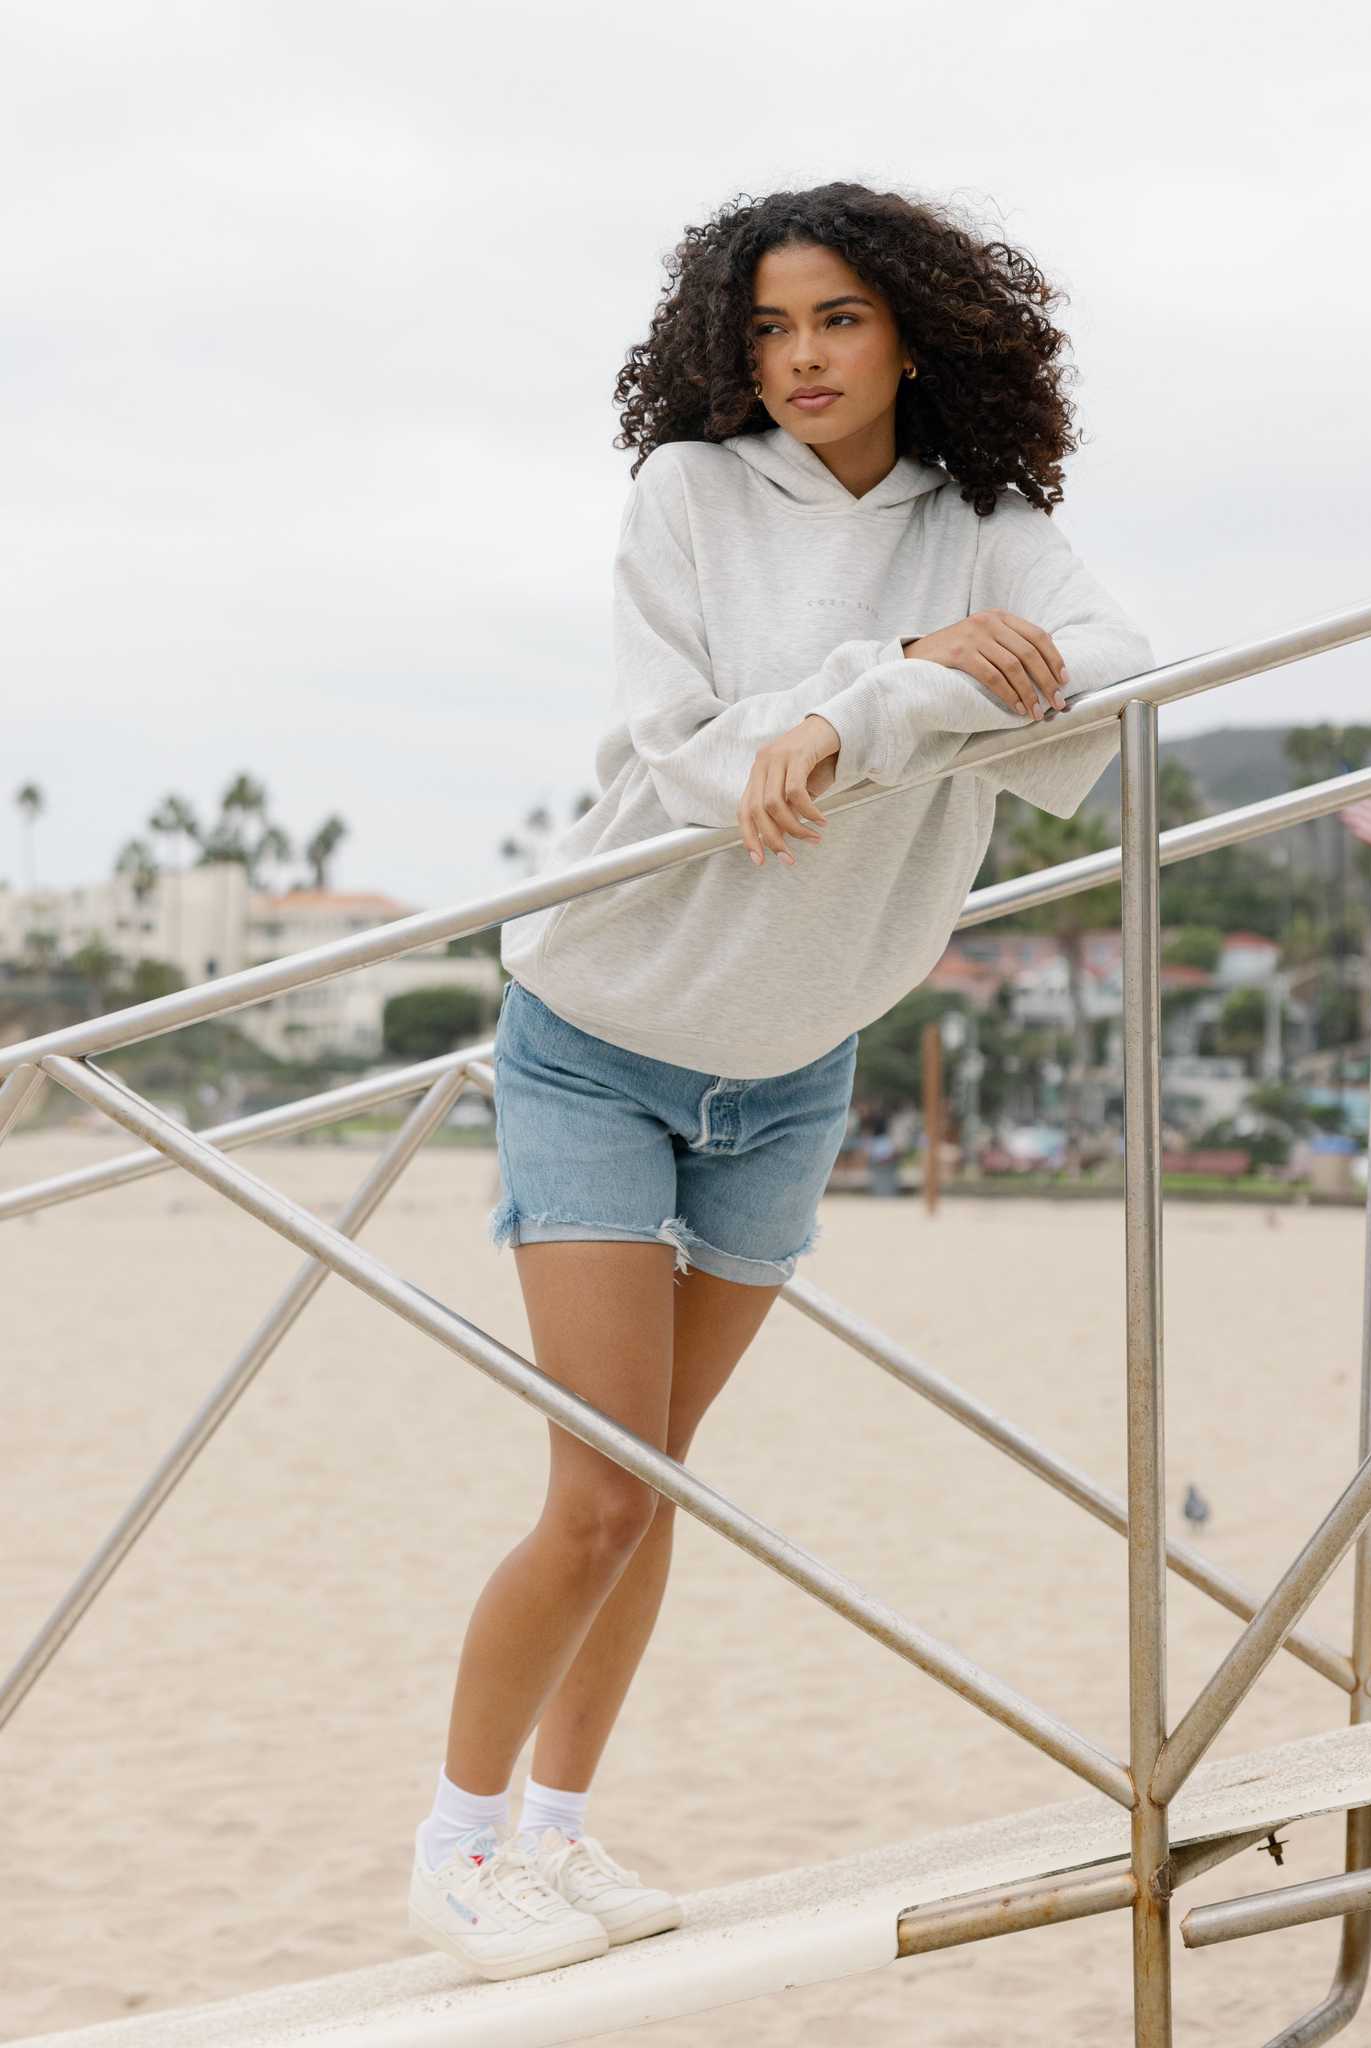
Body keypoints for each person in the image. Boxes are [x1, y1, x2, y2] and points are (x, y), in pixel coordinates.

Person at [408, 179, 1156, 1981]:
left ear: (912, 327)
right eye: (766, 327)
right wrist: (895, 673)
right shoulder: (687, 496)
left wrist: (859, 715)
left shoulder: (987, 525)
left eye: (834, 318)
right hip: (603, 1032)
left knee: (656, 1485)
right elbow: (681, 760)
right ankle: (458, 1842)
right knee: (594, 1491)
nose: (800, 357)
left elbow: (1119, 683)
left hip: (795, 1064)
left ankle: (565, 1840)